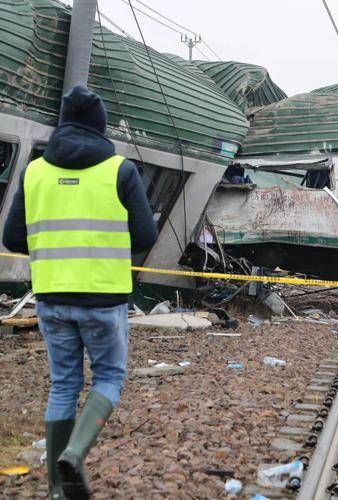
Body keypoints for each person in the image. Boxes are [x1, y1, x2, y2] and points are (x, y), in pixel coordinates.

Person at [2, 86, 158, 500]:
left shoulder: (34, 171)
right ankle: (73, 453)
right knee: (108, 376)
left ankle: (57, 490)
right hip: (104, 298)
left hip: (51, 296)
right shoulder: (120, 170)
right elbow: (145, 235)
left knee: (64, 384)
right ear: (100, 126)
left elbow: (12, 236)